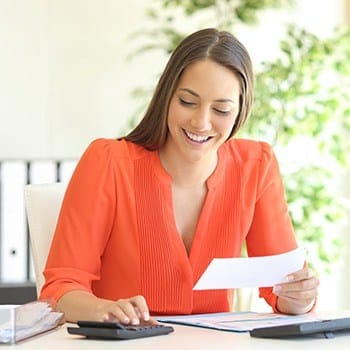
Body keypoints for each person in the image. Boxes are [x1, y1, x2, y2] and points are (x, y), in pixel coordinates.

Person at [40, 28, 319, 324]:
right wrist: (103, 311)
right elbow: (60, 290)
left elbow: (282, 288)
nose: (201, 122)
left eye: (221, 109)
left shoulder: (256, 165)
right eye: (187, 102)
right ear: (167, 97)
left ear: (240, 111)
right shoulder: (108, 162)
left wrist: (298, 298)